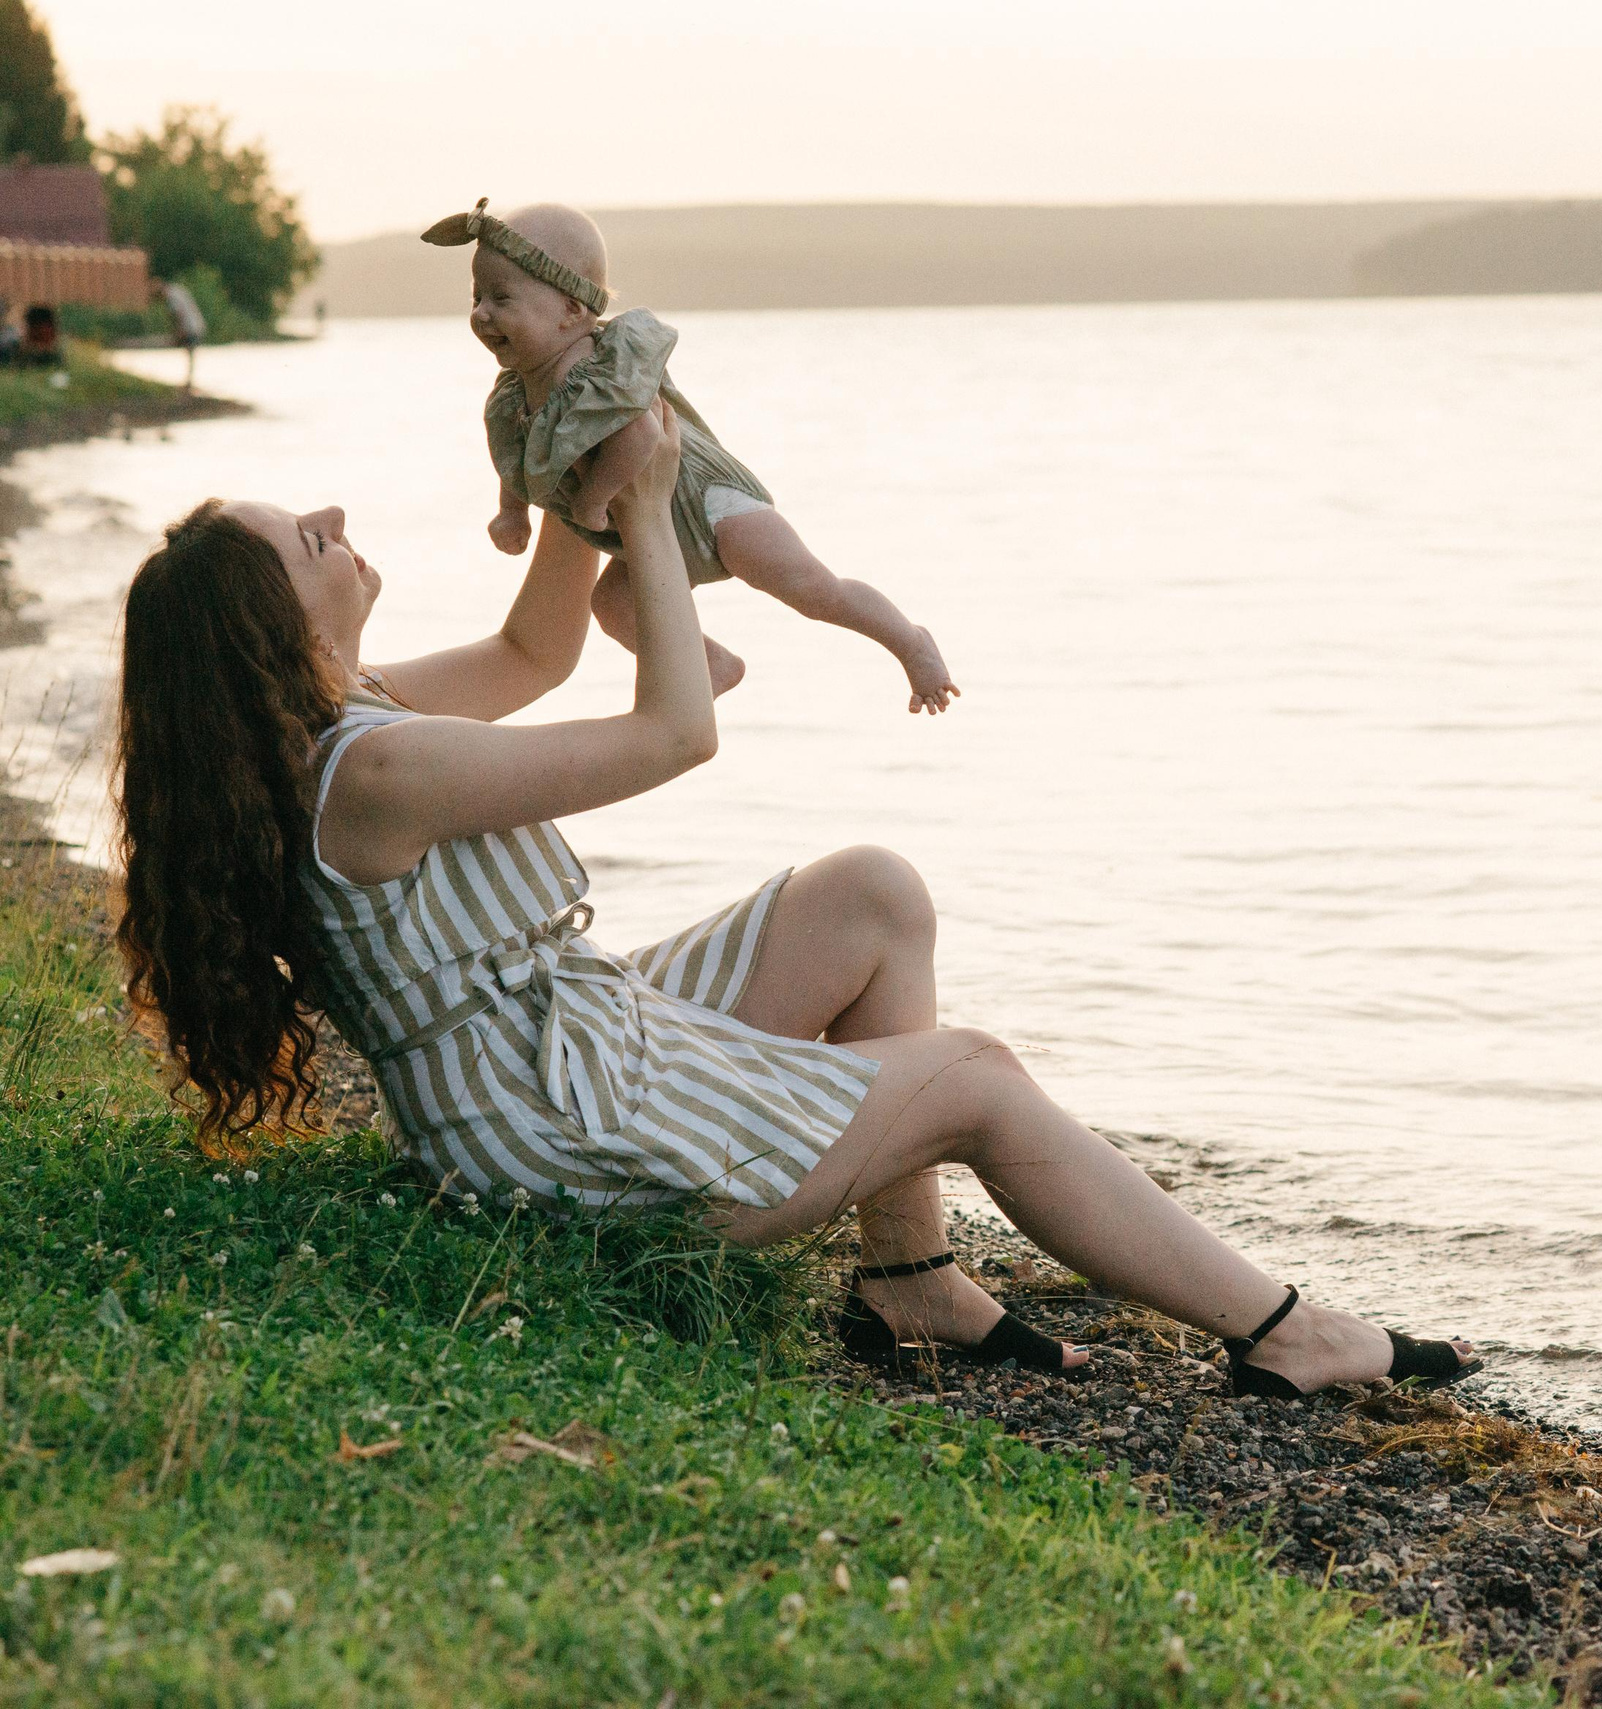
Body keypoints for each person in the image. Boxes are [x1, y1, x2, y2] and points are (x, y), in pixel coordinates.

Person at [110, 411, 1476, 1398]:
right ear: (269, 627)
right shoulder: (380, 770)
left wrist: (575, 448)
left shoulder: (346, 724)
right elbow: (672, 735)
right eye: (305, 537)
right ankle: (1284, 1325)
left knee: (869, 896)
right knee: (978, 1080)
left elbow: (536, 647)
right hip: (559, 1136)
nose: (334, 520)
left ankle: (912, 1279)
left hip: (555, 1054)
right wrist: (646, 512)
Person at [423, 198, 957, 711]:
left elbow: (641, 439)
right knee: (611, 606)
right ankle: (711, 665)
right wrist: (511, 512)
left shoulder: (601, 377)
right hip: (642, 536)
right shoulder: (516, 394)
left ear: (570, 310)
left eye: (501, 298)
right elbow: (513, 453)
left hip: (707, 505)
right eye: (476, 298)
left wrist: (594, 498)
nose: (482, 314)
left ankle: (910, 642)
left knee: (812, 589)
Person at [161, 279, 208, 394]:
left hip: (190, 328)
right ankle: (189, 382)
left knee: (190, 353)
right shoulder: (177, 289)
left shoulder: (171, 296)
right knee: (190, 354)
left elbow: (179, 314)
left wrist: (179, 332)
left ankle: (189, 383)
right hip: (196, 325)